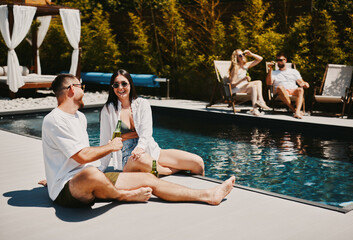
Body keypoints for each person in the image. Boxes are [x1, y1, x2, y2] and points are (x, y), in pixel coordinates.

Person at [41, 73, 234, 208]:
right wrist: (110, 147)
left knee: (149, 179)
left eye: (124, 83)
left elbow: (79, 158)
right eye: (80, 86)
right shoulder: (54, 120)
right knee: (90, 175)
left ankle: (208, 195)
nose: (84, 89)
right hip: (67, 188)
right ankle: (125, 196)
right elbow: (82, 156)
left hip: (92, 174)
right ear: (71, 90)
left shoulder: (78, 117)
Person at [98, 69, 204, 176]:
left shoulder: (142, 104)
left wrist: (140, 147)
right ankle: (170, 171)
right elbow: (104, 139)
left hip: (152, 151)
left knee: (197, 162)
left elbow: (146, 132)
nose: (120, 87)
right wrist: (103, 166)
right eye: (116, 85)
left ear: (130, 84)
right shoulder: (108, 110)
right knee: (141, 159)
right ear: (112, 88)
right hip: (129, 159)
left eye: (124, 83)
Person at [266, 52, 309, 119]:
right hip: (280, 92)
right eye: (277, 60)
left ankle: (297, 111)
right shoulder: (273, 73)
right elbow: (269, 83)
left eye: (280, 60)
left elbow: (301, 82)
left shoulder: (294, 71)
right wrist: (270, 70)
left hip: (292, 91)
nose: (279, 62)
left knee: (300, 89)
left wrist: (305, 84)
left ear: (285, 60)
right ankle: (294, 110)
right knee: (280, 87)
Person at [228, 49, 271, 116]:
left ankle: (257, 106)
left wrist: (251, 54)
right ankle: (258, 104)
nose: (242, 56)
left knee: (257, 83)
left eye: (243, 54)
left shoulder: (246, 65)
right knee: (256, 84)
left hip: (244, 87)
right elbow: (231, 85)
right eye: (240, 55)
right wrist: (242, 79)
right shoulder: (236, 68)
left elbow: (260, 59)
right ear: (236, 58)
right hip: (236, 89)